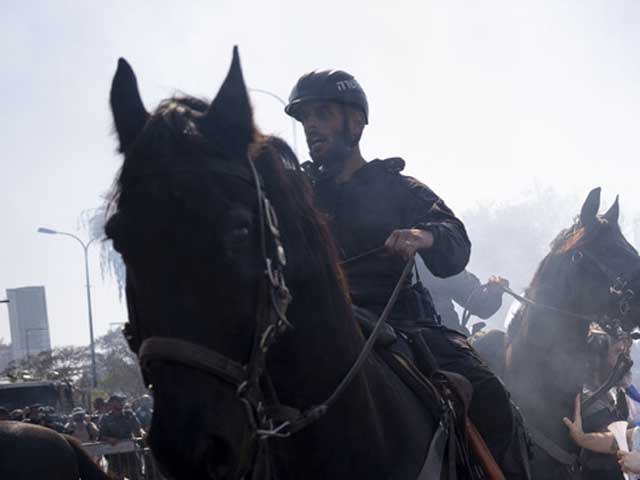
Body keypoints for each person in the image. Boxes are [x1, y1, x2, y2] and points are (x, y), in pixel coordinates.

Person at [285, 69, 530, 478]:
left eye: (322, 114)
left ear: (356, 122)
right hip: (319, 323)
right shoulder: (298, 195)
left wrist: (424, 236)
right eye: (305, 118)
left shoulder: (399, 187)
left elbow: (454, 238)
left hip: (402, 324)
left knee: (491, 397)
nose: (311, 126)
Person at [417, 262, 509, 334]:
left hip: (443, 332)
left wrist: (493, 292)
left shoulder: (438, 259)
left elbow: (479, 305)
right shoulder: (435, 256)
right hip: (435, 332)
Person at [99, 394, 144, 480]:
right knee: (116, 477)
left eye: (122, 401)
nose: (121, 403)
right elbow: (101, 436)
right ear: (112, 404)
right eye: (118, 401)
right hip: (115, 454)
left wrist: (143, 433)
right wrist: (109, 439)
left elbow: (138, 428)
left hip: (130, 452)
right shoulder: (106, 418)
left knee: (136, 476)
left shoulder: (129, 414)